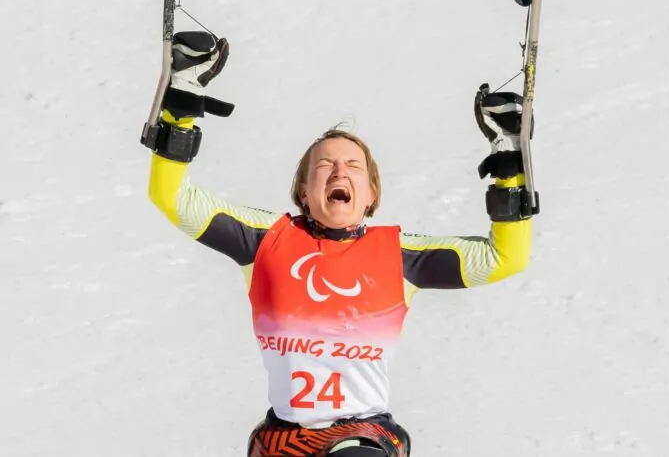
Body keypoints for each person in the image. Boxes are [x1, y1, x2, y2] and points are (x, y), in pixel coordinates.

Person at [143, 31, 535, 457]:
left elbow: (505, 258)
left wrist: (509, 163)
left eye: (353, 166)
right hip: (282, 439)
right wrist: (181, 105)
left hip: (362, 435)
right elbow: (172, 198)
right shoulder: (267, 240)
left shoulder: (399, 256)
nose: (339, 172)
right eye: (325, 164)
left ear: (370, 194)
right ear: (304, 191)